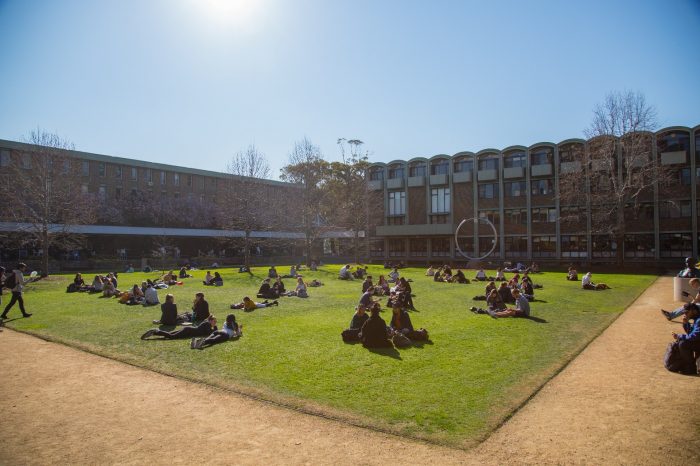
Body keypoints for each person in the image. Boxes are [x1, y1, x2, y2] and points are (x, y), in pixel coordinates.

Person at [671, 303, 700, 374]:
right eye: (684, 313)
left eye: (687, 312)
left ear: (694, 311)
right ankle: (690, 367)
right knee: (683, 342)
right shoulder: (697, 319)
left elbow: (694, 336)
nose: (685, 314)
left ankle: (690, 368)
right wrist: (686, 323)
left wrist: (679, 336)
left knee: (683, 344)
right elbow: (691, 334)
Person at [141, 315, 217, 340]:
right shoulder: (207, 324)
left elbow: (207, 332)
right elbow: (209, 333)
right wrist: (215, 328)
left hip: (188, 330)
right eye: (214, 321)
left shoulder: (207, 323)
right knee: (172, 336)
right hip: (188, 331)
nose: (215, 323)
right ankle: (155, 331)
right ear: (210, 320)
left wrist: (213, 327)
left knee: (169, 334)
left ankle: (154, 333)